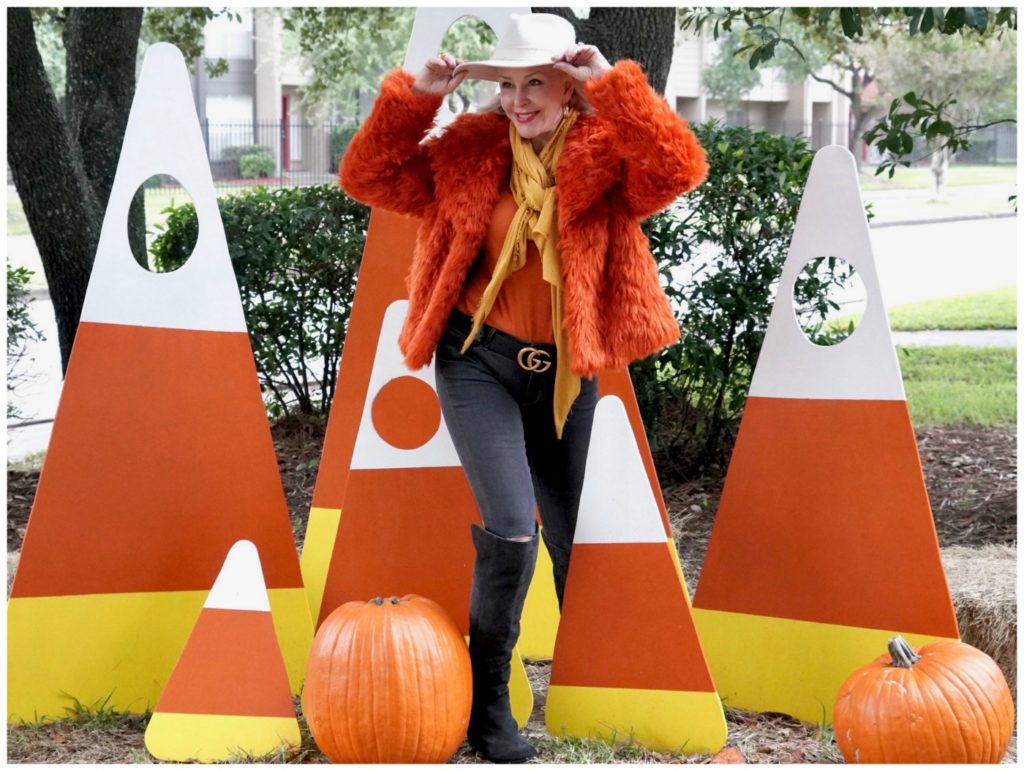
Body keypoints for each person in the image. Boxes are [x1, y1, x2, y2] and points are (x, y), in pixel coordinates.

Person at [340, 12, 707, 763]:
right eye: (506, 85)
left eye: (533, 82)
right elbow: (368, 177)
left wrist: (614, 86)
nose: (517, 99)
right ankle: (487, 707)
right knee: (512, 527)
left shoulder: (604, 152)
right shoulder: (470, 149)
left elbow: (678, 168)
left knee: (579, 541)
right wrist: (417, 98)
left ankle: (594, 688)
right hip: (478, 360)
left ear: (568, 87)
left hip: (568, 373)